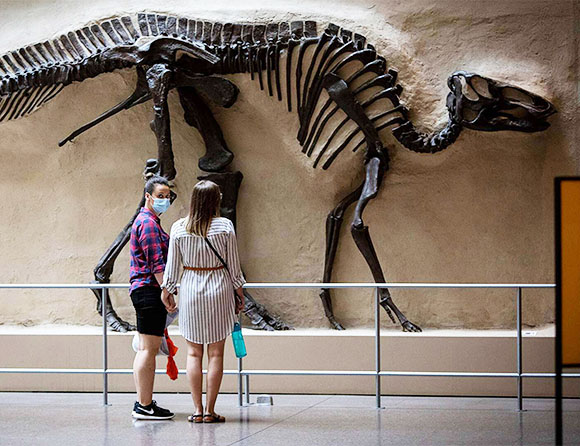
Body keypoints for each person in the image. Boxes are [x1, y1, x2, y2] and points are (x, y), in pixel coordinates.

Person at [161, 180, 245, 424]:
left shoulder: (179, 228)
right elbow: (234, 266)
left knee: (194, 353)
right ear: (216, 200)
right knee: (216, 354)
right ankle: (210, 410)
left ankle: (197, 409)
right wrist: (239, 292)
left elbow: (172, 266)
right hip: (219, 287)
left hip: (190, 290)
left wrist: (167, 291)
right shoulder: (225, 227)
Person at [129, 175, 175, 420]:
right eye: (160, 196)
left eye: (168, 197)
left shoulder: (149, 221)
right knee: (148, 349)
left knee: (146, 348)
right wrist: (166, 291)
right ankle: (144, 405)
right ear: (148, 196)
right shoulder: (147, 223)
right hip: (149, 290)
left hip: (145, 289)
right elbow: (156, 263)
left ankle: (144, 403)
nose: (165, 200)